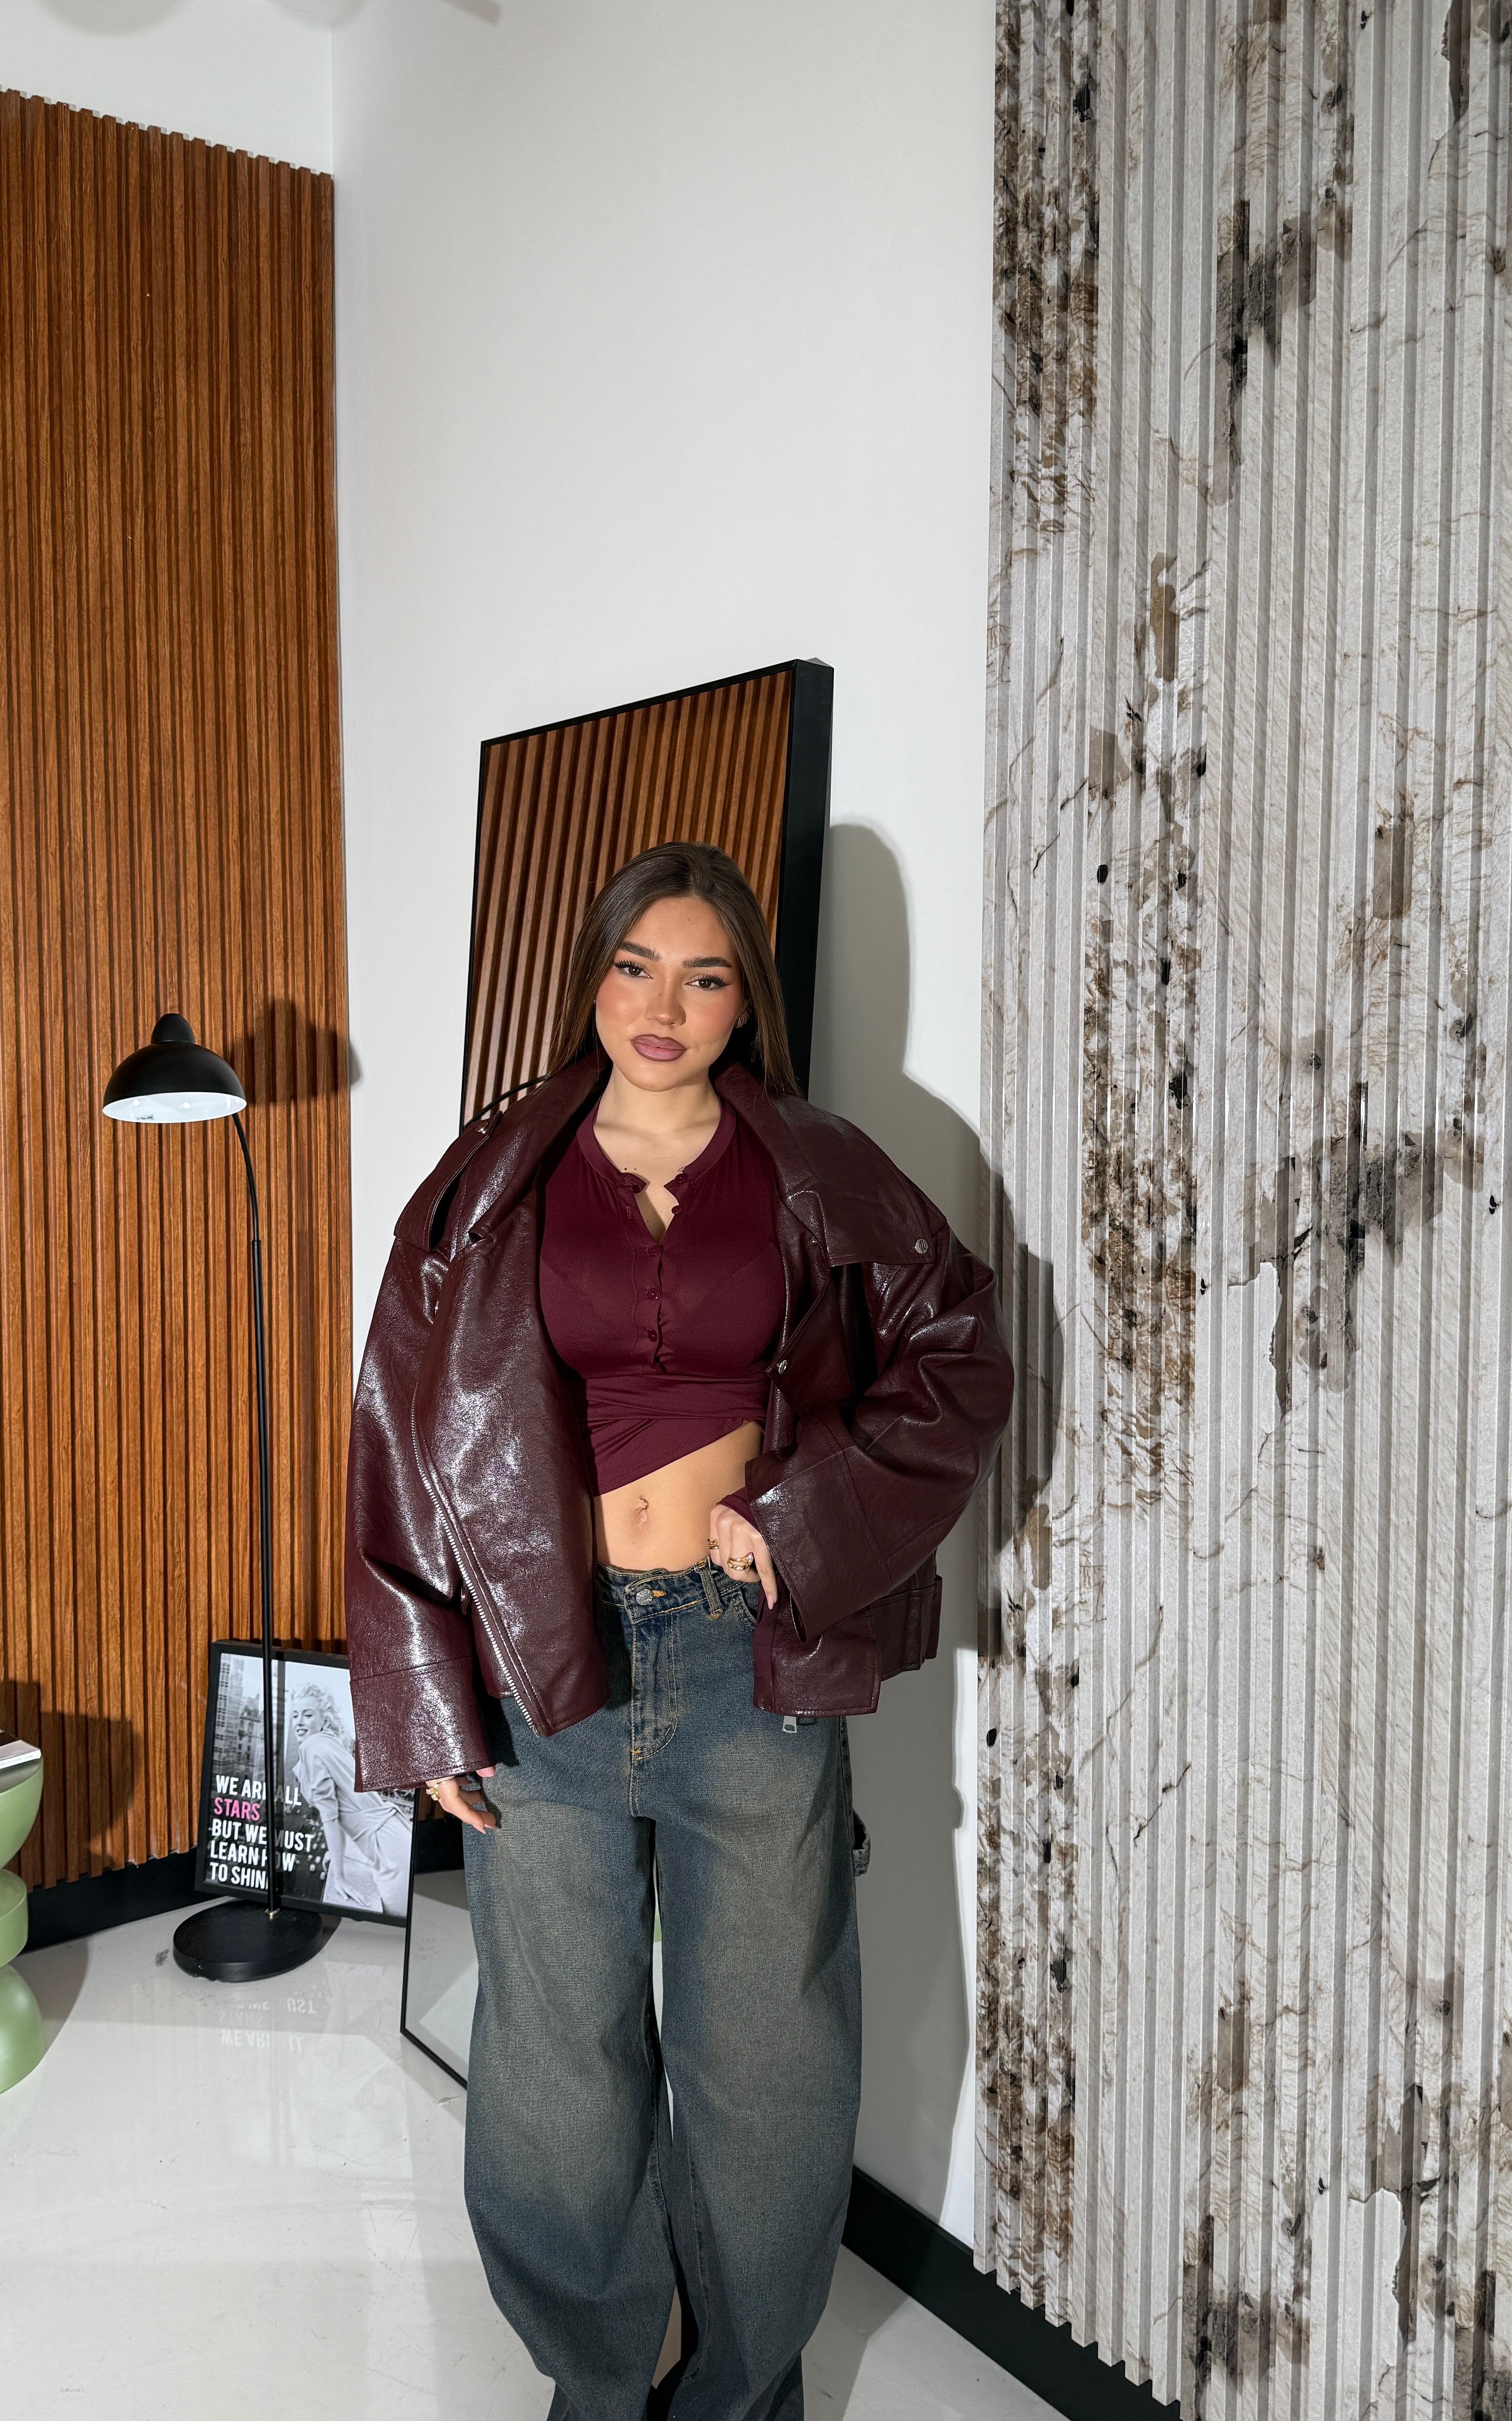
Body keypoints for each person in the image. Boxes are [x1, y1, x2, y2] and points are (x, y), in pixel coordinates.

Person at [346, 841, 1012, 2421]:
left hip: (745, 1665)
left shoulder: (817, 1167)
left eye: (703, 976)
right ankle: (595, 2382)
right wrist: (427, 1697)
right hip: (548, 1661)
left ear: (742, 1001)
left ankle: (738, 2394)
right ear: (592, 977)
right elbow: (402, 1428)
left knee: (767, 2065)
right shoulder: (492, 1175)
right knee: (552, 2065)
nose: (662, 1005)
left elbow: (959, 1356)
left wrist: (801, 1518)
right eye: (635, 965)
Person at [288, 1681, 413, 1915]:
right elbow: (346, 1806)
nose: (300, 1722)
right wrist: (336, 1855)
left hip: (388, 1852)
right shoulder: (329, 1742)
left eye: (308, 1715)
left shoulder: (312, 1747)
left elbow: (331, 1819)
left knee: (388, 1928)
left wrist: (339, 1877)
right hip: (394, 1839)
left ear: (324, 1718)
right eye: (295, 1715)